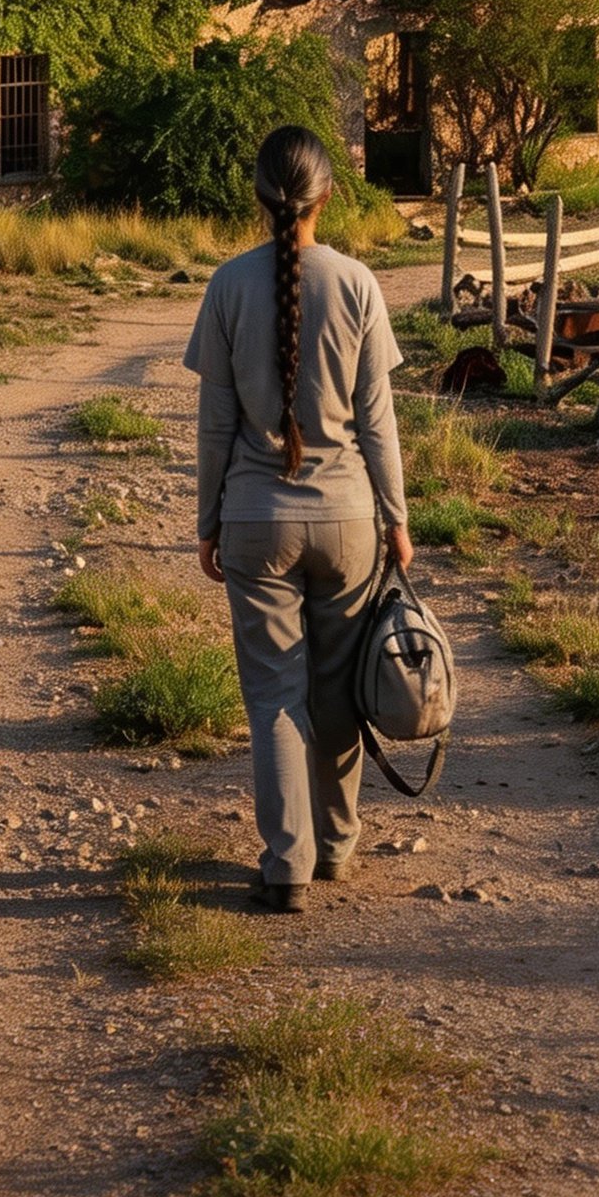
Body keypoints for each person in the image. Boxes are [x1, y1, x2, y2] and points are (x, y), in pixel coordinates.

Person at [184, 125, 412, 912]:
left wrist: (208, 518)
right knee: (335, 689)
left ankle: (286, 864)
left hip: (253, 519)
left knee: (274, 697)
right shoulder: (357, 283)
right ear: (328, 196)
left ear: (258, 195)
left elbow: (216, 423)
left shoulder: (225, 286)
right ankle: (339, 847)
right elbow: (378, 421)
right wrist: (396, 517)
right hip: (349, 518)